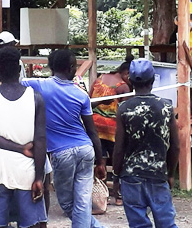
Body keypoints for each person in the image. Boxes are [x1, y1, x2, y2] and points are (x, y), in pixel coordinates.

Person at [22, 49, 106, 228]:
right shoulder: (81, 95)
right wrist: (100, 161)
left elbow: (12, 82)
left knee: (69, 204)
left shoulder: (39, 85)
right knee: (82, 203)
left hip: (62, 153)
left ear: (51, 67)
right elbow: (92, 131)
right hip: (86, 149)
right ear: (71, 68)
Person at [0, 46, 48, 228]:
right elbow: (40, 141)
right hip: (26, 172)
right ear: (19, 70)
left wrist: (17, 148)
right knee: (30, 224)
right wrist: (39, 177)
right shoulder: (36, 98)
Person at [113, 59, 180, 228]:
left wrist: (116, 176)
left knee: (138, 224)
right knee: (166, 223)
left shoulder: (124, 108)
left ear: (130, 81)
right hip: (158, 175)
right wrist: (170, 173)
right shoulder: (166, 107)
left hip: (131, 177)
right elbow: (176, 145)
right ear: (153, 80)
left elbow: (119, 148)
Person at [88, 55, 132, 206]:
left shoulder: (100, 78)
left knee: (100, 160)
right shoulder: (123, 86)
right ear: (127, 73)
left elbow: (88, 99)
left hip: (94, 126)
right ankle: (118, 196)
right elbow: (125, 111)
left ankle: (101, 194)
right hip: (112, 128)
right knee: (117, 161)